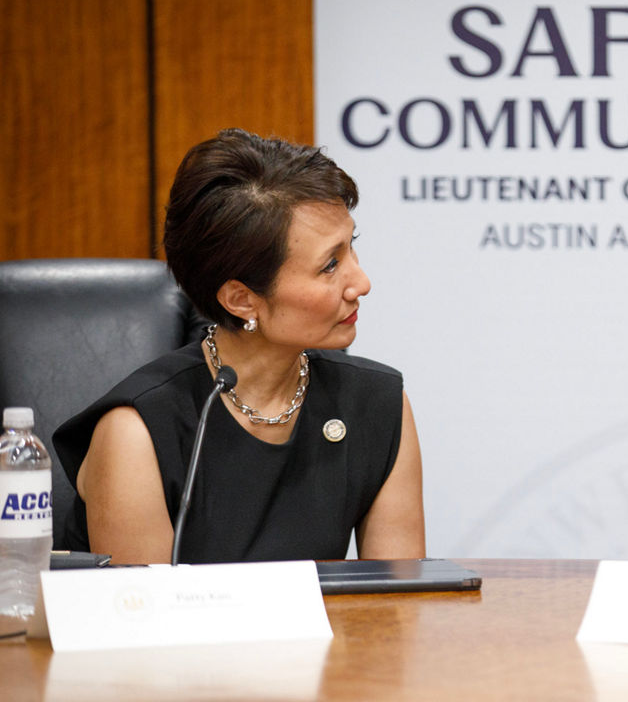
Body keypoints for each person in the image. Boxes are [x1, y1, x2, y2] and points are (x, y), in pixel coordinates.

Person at [54, 129, 426, 564]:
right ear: (241, 299)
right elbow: (141, 623)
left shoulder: (377, 406)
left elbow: (396, 610)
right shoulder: (136, 434)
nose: (361, 283)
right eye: (329, 265)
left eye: (351, 249)